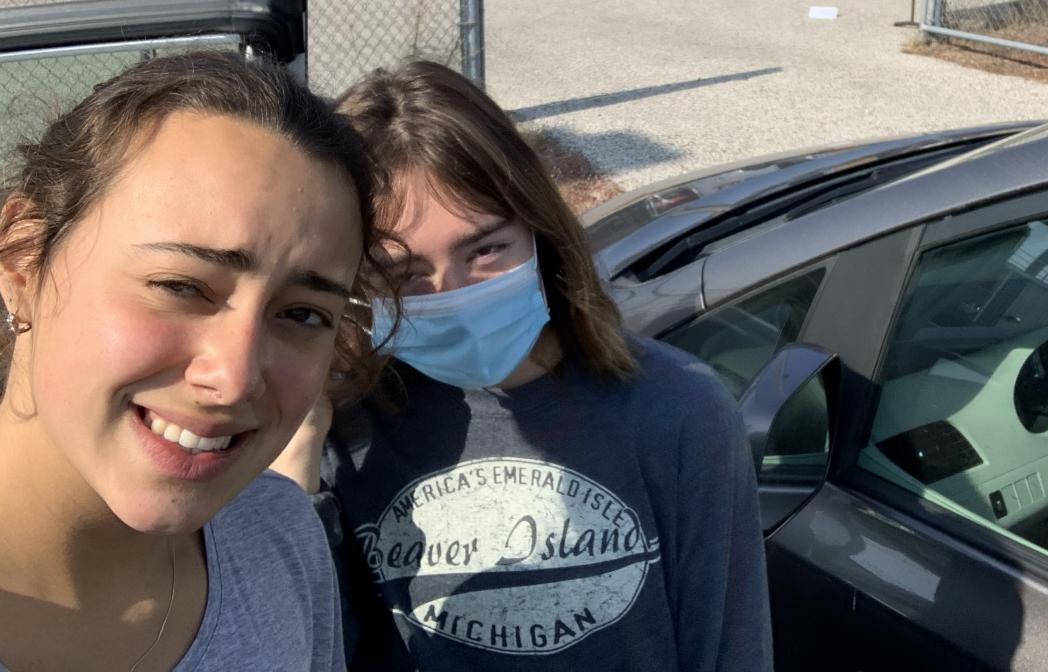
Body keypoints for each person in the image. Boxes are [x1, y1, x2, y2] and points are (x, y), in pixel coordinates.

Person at [273, 59, 773, 671]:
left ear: (540, 230)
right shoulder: (340, 431)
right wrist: (294, 479)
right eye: (404, 274)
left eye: (485, 250)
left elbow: (728, 645)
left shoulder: (677, 411)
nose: (453, 294)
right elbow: (304, 648)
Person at [0, 51, 386, 671]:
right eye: (181, 286)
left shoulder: (278, 538)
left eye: (302, 314)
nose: (233, 379)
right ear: (23, 258)